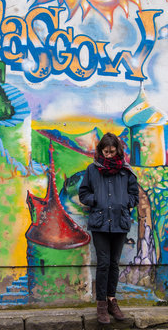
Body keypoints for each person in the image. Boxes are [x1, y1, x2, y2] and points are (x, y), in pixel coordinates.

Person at [79, 132, 139, 324]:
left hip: (120, 223)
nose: (109, 155)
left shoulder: (126, 171)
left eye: (113, 152)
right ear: (100, 150)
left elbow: (134, 195)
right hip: (99, 223)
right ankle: (101, 305)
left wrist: (124, 203)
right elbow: (83, 193)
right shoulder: (92, 170)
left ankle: (112, 300)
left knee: (114, 263)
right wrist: (95, 200)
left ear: (118, 151)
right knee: (103, 263)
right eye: (106, 152)